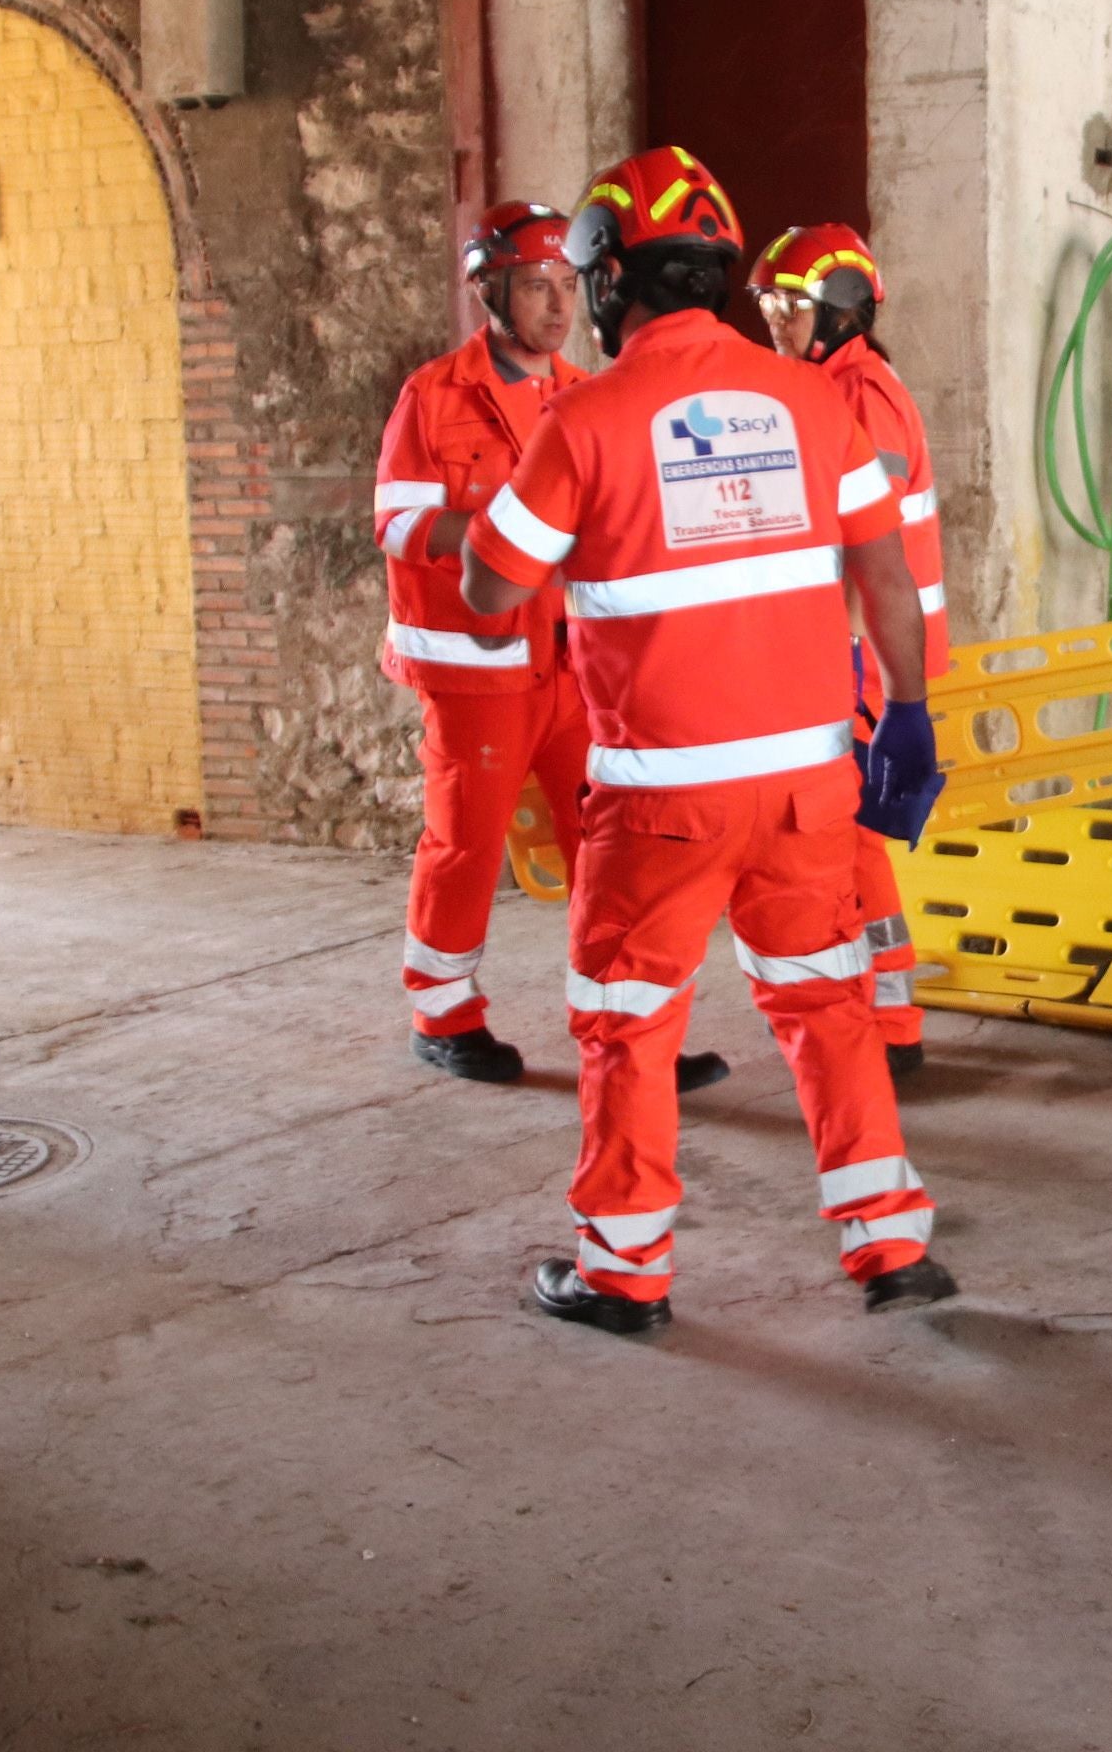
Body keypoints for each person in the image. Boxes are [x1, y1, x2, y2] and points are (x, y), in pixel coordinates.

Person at [460, 147, 954, 1333]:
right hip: (806, 786)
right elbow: (885, 576)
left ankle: (624, 1274)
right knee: (828, 1005)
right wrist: (913, 711)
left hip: (662, 804)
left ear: (612, 283)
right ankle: (890, 1249)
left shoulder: (584, 418)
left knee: (628, 1023)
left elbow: (487, 586)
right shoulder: (818, 403)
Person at [372, 202, 725, 1091]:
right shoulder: (433, 396)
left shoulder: (580, 394)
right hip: (477, 672)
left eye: (569, 287)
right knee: (466, 845)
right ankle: (442, 1013)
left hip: (577, 667)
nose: (559, 308)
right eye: (536, 287)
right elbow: (398, 521)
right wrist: (500, 528)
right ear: (488, 289)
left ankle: (628, 1024)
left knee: (607, 848)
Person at [748, 225, 949, 1078]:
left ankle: (889, 1030)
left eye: (788, 309)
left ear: (839, 312)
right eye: (763, 306)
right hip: (860, 648)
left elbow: (859, 546)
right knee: (851, 834)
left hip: (865, 653)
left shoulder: (858, 395)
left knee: (852, 838)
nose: (772, 324)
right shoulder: (830, 385)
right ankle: (885, 1019)